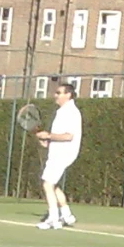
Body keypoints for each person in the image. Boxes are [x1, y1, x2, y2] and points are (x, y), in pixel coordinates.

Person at [33, 79, 81, 229]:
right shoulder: (62, 111)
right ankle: (66, 215)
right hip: (58, 152)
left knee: (47, 184)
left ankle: (53, 219)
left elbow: (68, 136)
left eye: (59, 93)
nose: (56, 96)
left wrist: (48, 136)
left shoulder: (70, 112)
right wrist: (47, 140)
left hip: (63, 153)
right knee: (53, 184)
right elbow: (58, 135)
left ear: (69, 95)